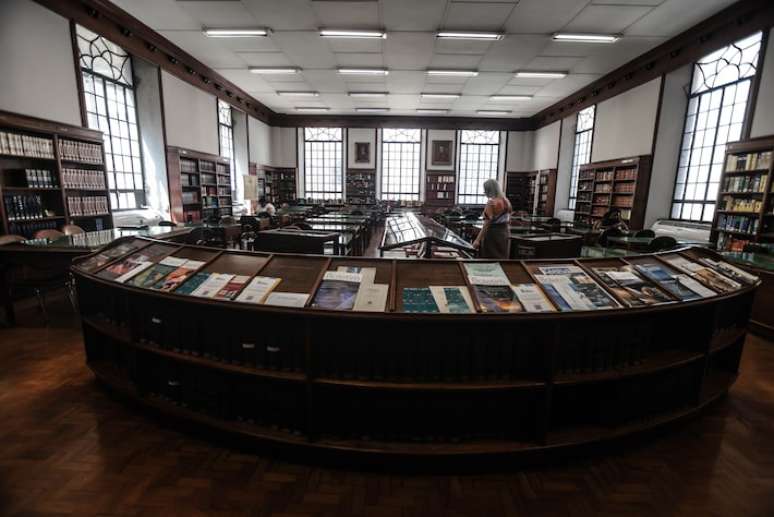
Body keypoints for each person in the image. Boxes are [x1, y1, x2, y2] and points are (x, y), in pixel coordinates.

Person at [473, 179, 512, 258]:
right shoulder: (506, 201)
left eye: (485, 190)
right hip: (505, 233)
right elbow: (509, 219)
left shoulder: (491, 203)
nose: (484, 192)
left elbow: (486, 224)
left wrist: (477, 240)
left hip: (492, 235)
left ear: (489, 190)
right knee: (502, 258)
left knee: (490, 259)